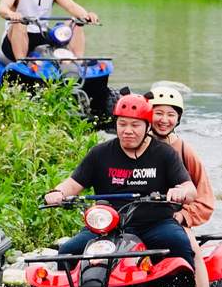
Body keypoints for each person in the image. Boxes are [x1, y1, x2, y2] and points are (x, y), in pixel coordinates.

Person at [44, 93, 198, 277]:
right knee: (67, 252)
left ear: (147, 126)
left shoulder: (165, 154)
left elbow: (190, 190)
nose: (128, 131)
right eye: (122, 124)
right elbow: (72, 184)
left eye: (135, 125)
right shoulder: (99, 153)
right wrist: (57, 192)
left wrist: (181, 191)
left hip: (155, 224)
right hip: (106, 226)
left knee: (179, 243)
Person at [146, 86, 220, 287]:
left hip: (172, 219)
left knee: (193, 251)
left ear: (178, 119)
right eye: (158, 113)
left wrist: (183, 215)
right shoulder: (133, 143)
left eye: (171, 114)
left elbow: (205, 199)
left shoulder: (184, 150)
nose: (164, 120)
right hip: (133, 217)